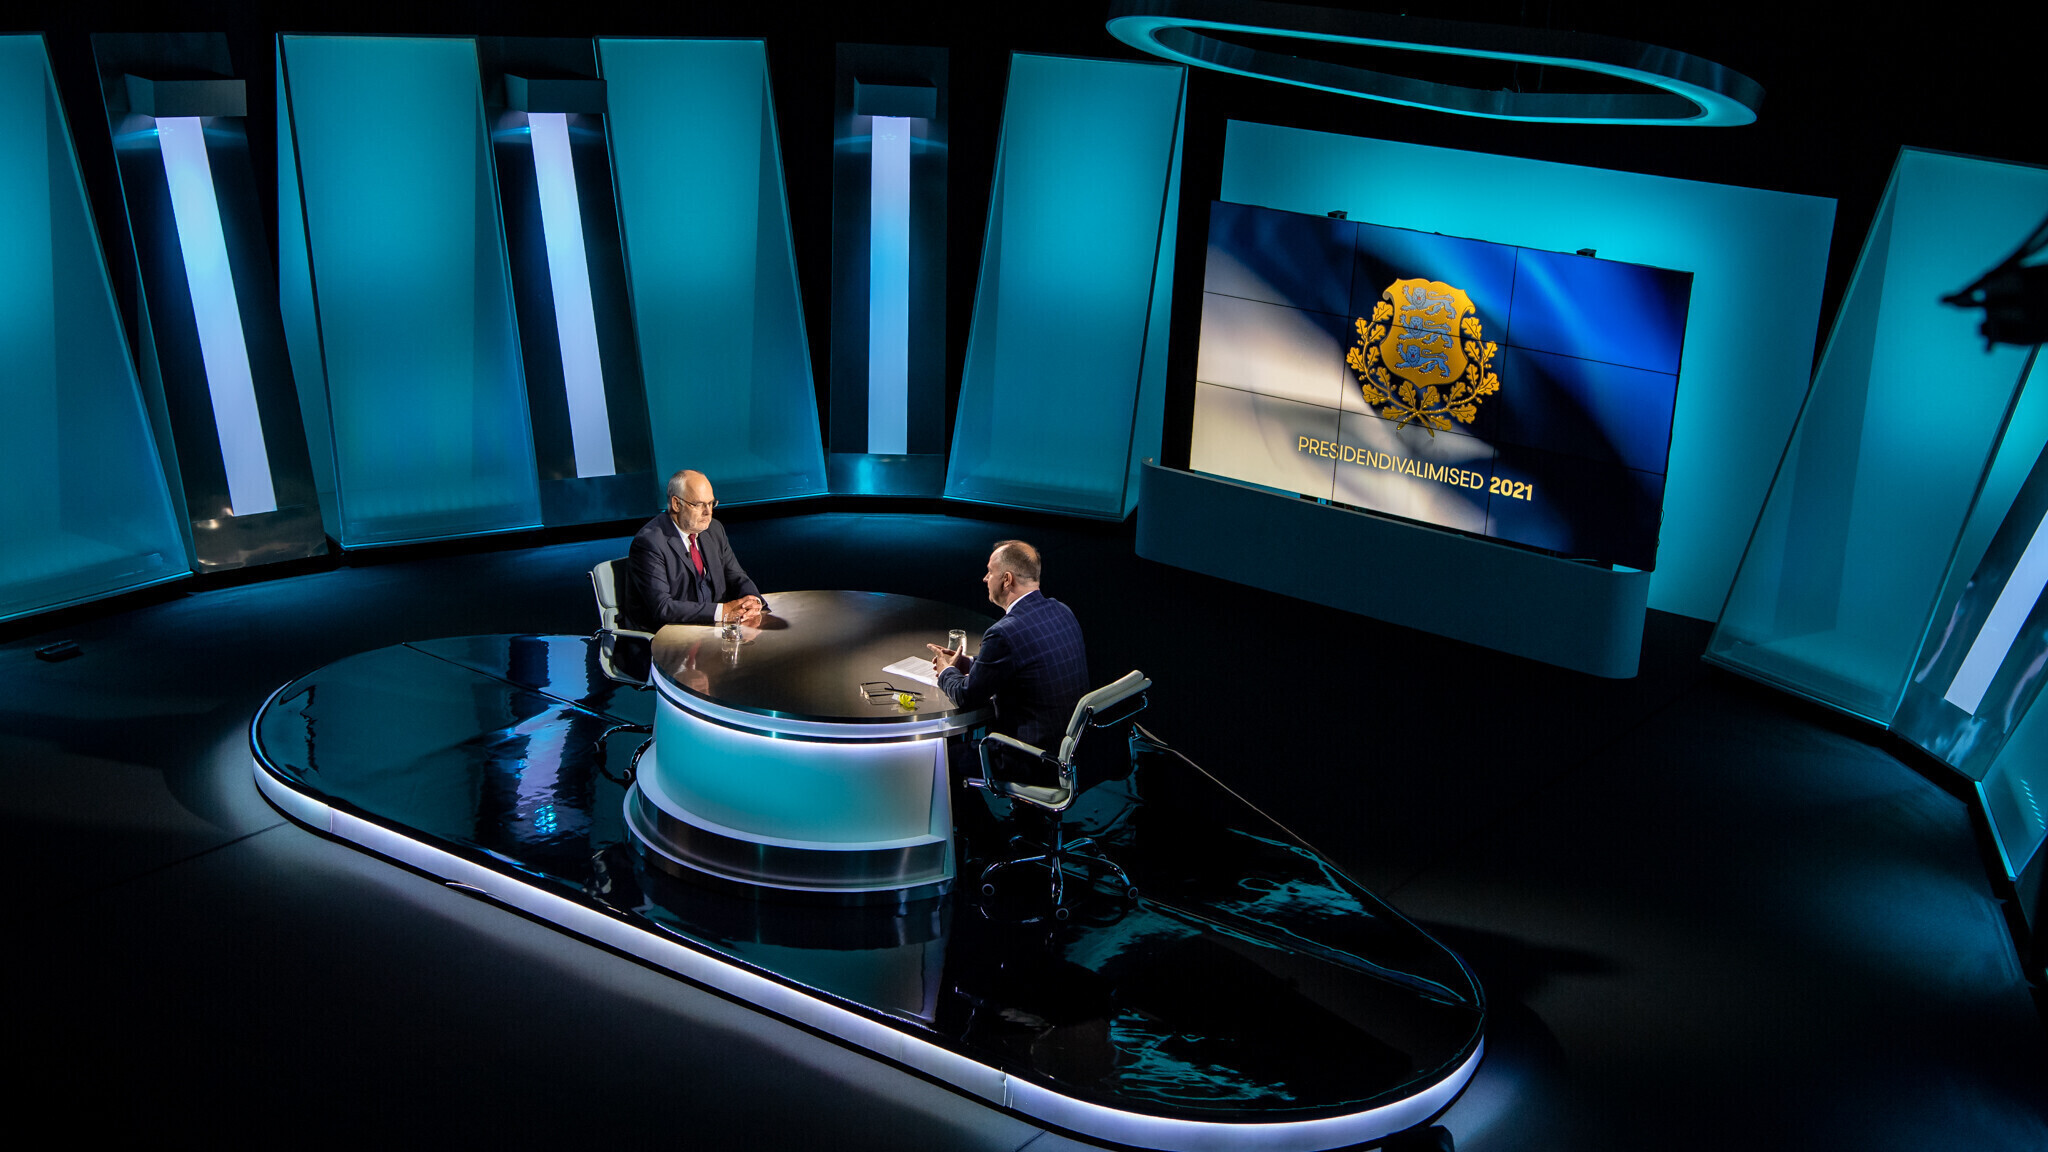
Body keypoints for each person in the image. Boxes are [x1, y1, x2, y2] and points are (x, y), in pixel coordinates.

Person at [927, 540, 1088, 753]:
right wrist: (970, 664)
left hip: (1028, 756)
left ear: (1007, 580)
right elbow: (1027, 663)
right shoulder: (1062, 611)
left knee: (942, 756)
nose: (985, 578)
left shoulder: (1003, 633)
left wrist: (945, 671)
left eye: (990, 572)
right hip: (1071, 750)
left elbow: (966, 697)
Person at [619, 470, 765, 631]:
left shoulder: (714, 529)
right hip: (667, 635)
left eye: (711, 503)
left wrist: (753, 601)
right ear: (676, 504)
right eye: (699, 504)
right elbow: (662, 607)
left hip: (711, 630)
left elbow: (736, 576)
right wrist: (722, 611)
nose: (708, 512)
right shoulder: (650, 542)